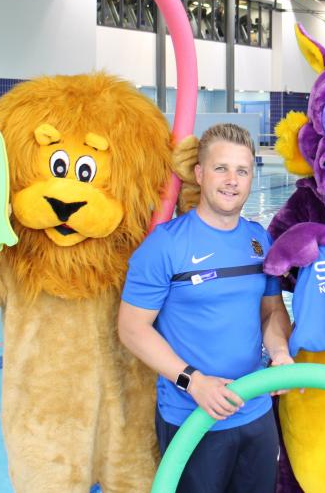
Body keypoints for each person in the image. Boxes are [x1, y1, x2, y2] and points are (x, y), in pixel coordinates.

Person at [118, 123, 292, 493]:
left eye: (242, 171)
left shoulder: (259, 239)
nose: (232, 180)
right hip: (191, 418)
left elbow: (272, 311)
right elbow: (132, 329)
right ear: (199, 174)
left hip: (256, 412)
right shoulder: (164, 246)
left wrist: (279, 352)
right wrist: (192, 381)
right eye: (221, 168)